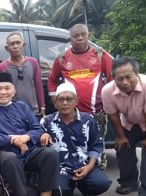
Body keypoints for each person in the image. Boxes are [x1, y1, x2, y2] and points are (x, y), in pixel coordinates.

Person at [0, 72, 61, 196]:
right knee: (10, 158)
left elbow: (36, 129)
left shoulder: (22, 107)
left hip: (28, 151)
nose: (3, 92)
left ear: (13, 91)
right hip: (4, 153)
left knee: (50, 153)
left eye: (7, 88)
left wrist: (26, 137)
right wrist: (11, 139)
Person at [48, 23, 113, 170]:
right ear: (70, 39)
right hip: (71, 113)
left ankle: (97, 175)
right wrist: (54, 99)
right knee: (74, 145)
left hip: (97, 111)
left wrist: (109, 104)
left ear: (88, 36)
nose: (80, 38)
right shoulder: (62, 58)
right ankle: (73, 175)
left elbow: (112, 80)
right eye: (75, 36)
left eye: (83, 35)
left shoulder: (100, 54)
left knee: (97, 144)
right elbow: (52, 80)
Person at [40, 83, 111, 196]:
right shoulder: (47, 121)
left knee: (101, 184)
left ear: (76, 101)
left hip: (84, 164)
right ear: (55, 102)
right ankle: (68, 187)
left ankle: (86, 190)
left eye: (69, 99)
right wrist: (42, 134)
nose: (65, 103)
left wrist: (89, 167)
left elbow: (96, 145)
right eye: (61, 99)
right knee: (61, 191)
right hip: (60, 168)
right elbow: (38, 142)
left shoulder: (88, 120)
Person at [101, 56, 146, 196]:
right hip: (129, 122)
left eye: (129, 77)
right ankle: (129, 183)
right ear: (113, 78)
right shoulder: (107, 90)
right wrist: (120, 136)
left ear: (137, 74)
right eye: (119, 79)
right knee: (123, 147)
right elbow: (113, 115)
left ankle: (145, 191)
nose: (124, 82)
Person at [0, 32, 45, 117]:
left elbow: (38, 85)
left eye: (18, 43)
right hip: (13, 112)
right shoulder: (3, 67)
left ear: (23, 45)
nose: (15, 46)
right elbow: (3, 92)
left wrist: (42, 106)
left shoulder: (32, 62)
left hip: (33, 111)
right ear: (7, 48)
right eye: (12, 44)